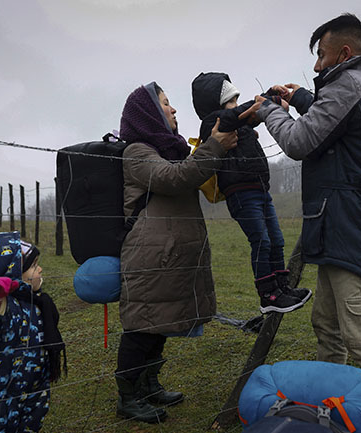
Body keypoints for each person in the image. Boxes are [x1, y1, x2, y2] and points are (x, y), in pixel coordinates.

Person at [238, 13, 361, 433]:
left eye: (321, 55)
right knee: (327, 322)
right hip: (347, 222)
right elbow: (341, 120)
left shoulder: (352, 84)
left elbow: (301, 142)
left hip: (352, 226)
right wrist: (301, 97)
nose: (317, 65)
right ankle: (330, 398)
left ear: (344, 52)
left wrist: (269, 110)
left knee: (360, 332)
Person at [114, 81, 238, 423]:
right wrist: (214, 146)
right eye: (165, 104)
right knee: (141, 328)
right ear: (149, 113)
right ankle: (127, 396)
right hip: (148, 255)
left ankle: (149, 384)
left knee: (159, 324)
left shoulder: (172, 148)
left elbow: (188, 170)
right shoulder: (136, 152)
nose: (173, 109)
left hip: (166, 254)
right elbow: (175, 178)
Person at [191, 72, 311, 314]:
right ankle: (268, 295)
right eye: (231, 100)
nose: (236, 105)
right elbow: (236, 114)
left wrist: (271, 95)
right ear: (216, 104)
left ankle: (282, 288)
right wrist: (266, 99)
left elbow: (251, 113)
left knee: (276, 240)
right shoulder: (213, 123)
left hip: (259, 188)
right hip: (240, 192)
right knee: (261, 241)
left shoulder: (237, 119)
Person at [0, 231, 66, 433]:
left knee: (32, 423)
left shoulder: (35, 301)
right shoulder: (1, 306)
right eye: (34, 266)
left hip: (34, 384)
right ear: (14, 275)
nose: (40, 269)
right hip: (0, 390)